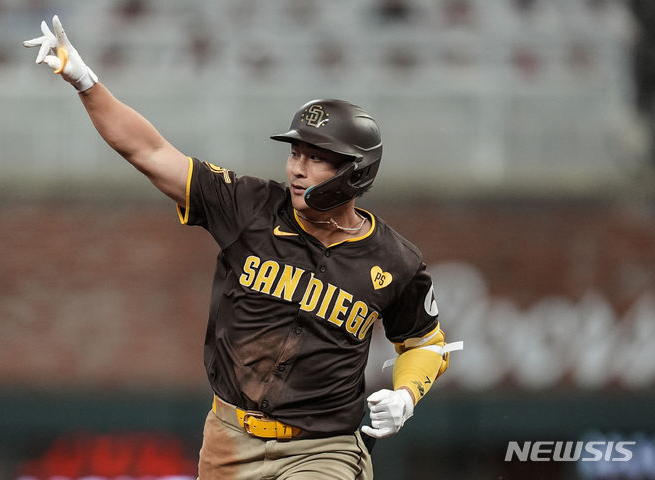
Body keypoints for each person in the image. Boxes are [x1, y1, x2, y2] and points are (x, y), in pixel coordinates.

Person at [24, 16, 462, 480]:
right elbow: (150, 153)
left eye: (317, 158)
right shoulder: (249, 205)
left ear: (355, 171)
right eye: (295, 153)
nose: (297, 168)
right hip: (229, 440)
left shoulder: (394, 259)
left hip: (323, 448)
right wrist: (85, 82)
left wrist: (406, 394)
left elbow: (425, 343)